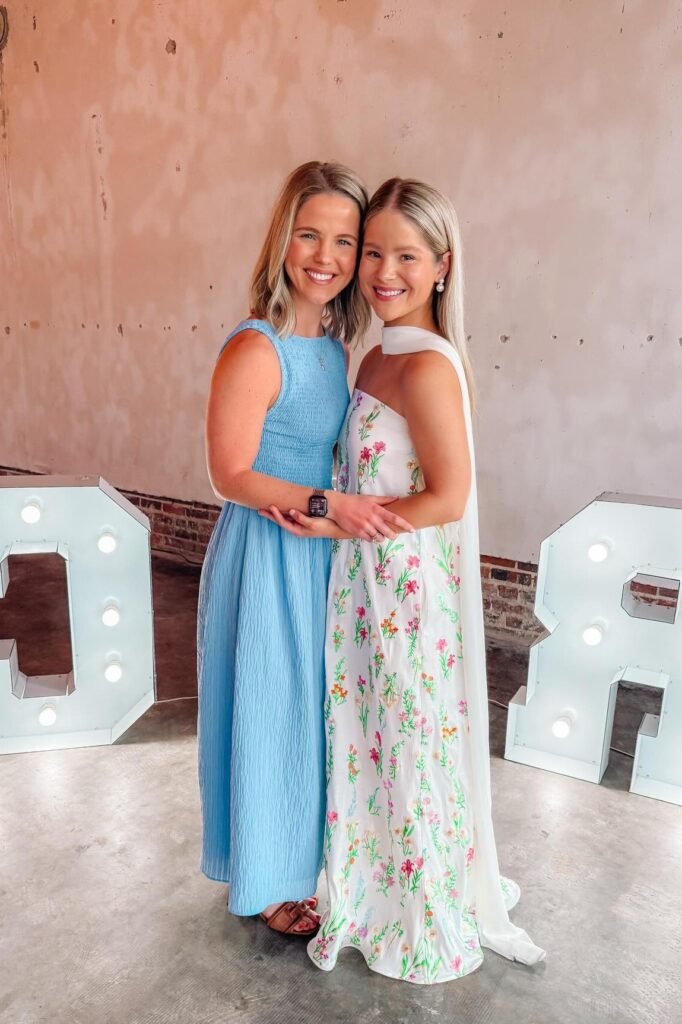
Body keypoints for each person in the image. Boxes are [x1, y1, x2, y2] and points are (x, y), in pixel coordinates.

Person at [264, 178, 545, 977]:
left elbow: (448, 497)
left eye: (406, 255)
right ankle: (372, 880)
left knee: (408, 741)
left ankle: (417, 905)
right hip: (360, 585)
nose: (383, 271)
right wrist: (331, 518)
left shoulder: (426, 365)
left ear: (442, 265)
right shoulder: (374, 353)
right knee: (366, 742)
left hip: (404, 592)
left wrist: (337, 517)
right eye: (373, 252)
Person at [197, 162, 414, 937]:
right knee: (268, 712)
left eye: (345, 241)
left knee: (310, 717)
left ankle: (295, 861)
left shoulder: (332, 347)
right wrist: (332, 504)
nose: (326, 255)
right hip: (264, 551)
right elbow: (230, 473)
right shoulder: (256, 347)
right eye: (310, 233)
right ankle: (266, 883)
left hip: (316, 550)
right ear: (282, 238)